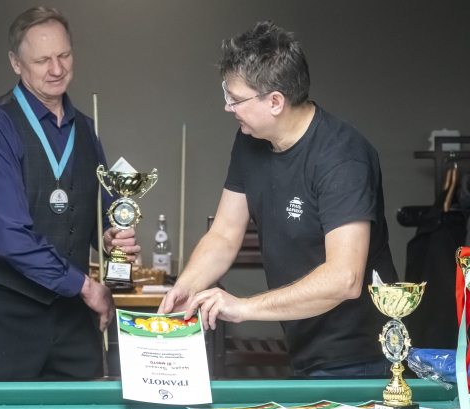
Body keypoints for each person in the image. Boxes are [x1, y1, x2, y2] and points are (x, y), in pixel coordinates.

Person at [159, 21, 398, 377]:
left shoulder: (342, 157)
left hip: (361, 356)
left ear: (274, 101)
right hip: (303, 346)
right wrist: (187, 286)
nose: (227, 107)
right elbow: (224, 234)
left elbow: (344, 279)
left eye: (235, 99)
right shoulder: (250, 140)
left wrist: (242, 308)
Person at [0, 7, 139, 379]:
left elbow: (99, 219)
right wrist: (85, 287)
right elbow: (7, 235)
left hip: (74, 319)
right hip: (4, 316)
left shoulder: (86, 129)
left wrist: (111, 239)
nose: (57, 69)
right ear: (16, 63)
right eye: (42, 60)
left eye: (64, 55)